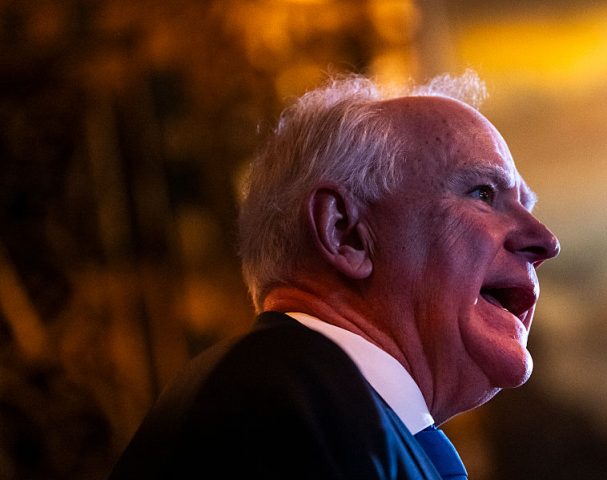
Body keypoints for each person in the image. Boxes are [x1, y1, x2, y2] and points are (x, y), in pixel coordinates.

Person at [107, 70, 559, 479]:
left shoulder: (322, 408)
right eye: (483, 193)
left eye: (527, 205)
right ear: (345, 233)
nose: (544, 241)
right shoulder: (278, 414)